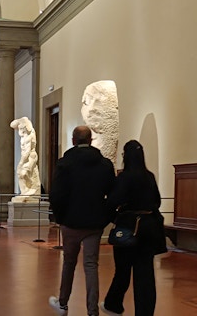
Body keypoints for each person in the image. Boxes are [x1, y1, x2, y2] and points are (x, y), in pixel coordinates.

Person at [48, 126, 115, 316]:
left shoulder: (64, 163)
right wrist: (105, 216)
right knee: (91, 265)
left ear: (73, 140)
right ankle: (92, 311)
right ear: (91, 140)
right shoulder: (104, 164)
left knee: (69, 263)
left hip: (70, 221)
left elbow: (56, 194)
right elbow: (112, 193)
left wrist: (60, 217)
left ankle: (63, 304)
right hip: (94, 222)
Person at [101, 140, 167, 316]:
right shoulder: (149, 176)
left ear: (126, 157)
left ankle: (113, 304)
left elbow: (113, 201)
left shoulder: (125, 177)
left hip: (129, 227)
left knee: (122, 270)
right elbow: (157, 201)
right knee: (145, 274)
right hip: (149, 228)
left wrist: (113, 217)